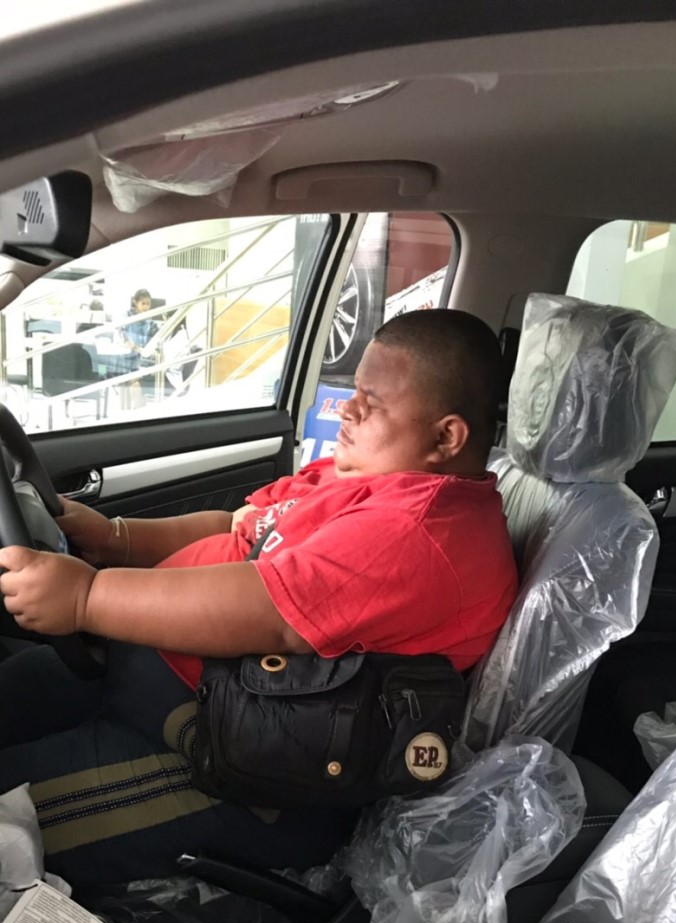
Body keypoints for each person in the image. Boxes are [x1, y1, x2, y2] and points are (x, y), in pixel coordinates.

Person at [0, 309, 518, 889]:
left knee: (7, 825)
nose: (346, 410)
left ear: (446, 437)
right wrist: (116, 538)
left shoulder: (418, 533)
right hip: (151, 679)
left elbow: (271, 614)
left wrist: (86, 598)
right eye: (353, 391)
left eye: (371, 404)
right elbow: (238, 527)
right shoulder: (360, 476)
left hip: (224, 758)